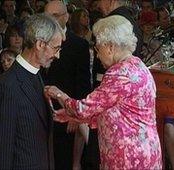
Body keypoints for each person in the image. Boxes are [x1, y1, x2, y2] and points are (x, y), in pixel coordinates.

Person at [45, 15, 162, 170]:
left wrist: (58, 94)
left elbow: (83, 109)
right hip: (146, 150)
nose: (98, 55)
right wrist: (71, 115)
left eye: (98, 49)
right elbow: (116, 111)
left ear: (110, 47)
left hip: (127, 155)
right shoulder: (138, 65)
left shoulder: (118, 73)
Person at [0, 13, 64, 170]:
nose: (57, 55)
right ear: (40, 44)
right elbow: (0, 147)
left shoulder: (36, 74)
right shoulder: (8, 84)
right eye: (56, 48)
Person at [44, 1, 92, 170]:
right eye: (47, 16)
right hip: (43, 111)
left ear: (66, 17)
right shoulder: (39, 41)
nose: (50, 20)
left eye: (55, 16)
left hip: (67, 112)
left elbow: (83, 82)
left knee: (64, 158)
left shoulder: (79, 45)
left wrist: (76, 114)